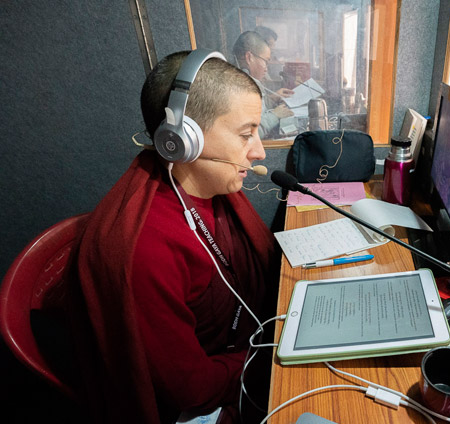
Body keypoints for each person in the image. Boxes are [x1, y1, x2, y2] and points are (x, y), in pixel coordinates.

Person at [49, 50, 280, 424]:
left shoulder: (215, 190)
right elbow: (189, 387)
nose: (258, 151)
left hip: (241, 348)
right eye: (245, 134)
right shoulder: (147, 246)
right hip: (197, 402)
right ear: (180, 138)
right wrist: (269, 353)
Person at [233, 31, 294, 139]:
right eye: (265, 61)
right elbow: (249, 134)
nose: (266, 67)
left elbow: (256, 110)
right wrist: (275, 115)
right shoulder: (241, 86)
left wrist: (272, 99)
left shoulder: (242, 79)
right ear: (249, 57)